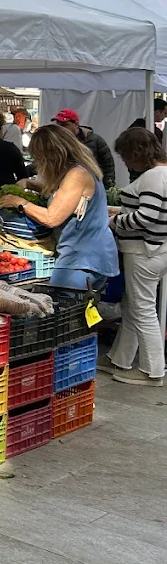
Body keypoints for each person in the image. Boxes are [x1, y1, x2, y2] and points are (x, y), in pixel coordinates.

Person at [0, 124, 118, 292]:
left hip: (81, 260)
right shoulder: (80, 170)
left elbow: (51, 218)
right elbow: (62, 194)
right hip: (92, 257)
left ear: (51, 155)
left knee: (60, 305)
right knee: (78, 308)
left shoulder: (77, 175)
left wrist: (20, 202)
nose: (37, 162)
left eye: (39, 157)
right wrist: (31, 184)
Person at [105, 127, 167, 386]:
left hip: (143, 252)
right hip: (155, 250)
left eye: (125, 156)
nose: (125, 162)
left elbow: (146, 217)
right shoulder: (162, 173)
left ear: (136, 152)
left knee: (142, 310)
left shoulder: (153, 176)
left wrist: (115, 221)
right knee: (134, 307)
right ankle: (120, 359)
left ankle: (153, 371)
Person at [53, 109, 116, 187]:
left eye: (64, 125)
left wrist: (108, 186)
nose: (61, 129)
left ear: (75, 124)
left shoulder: (95, 140)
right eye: (58, 126)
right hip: (66, 186)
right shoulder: (56, 143)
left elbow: (108, 165)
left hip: (92, 186)